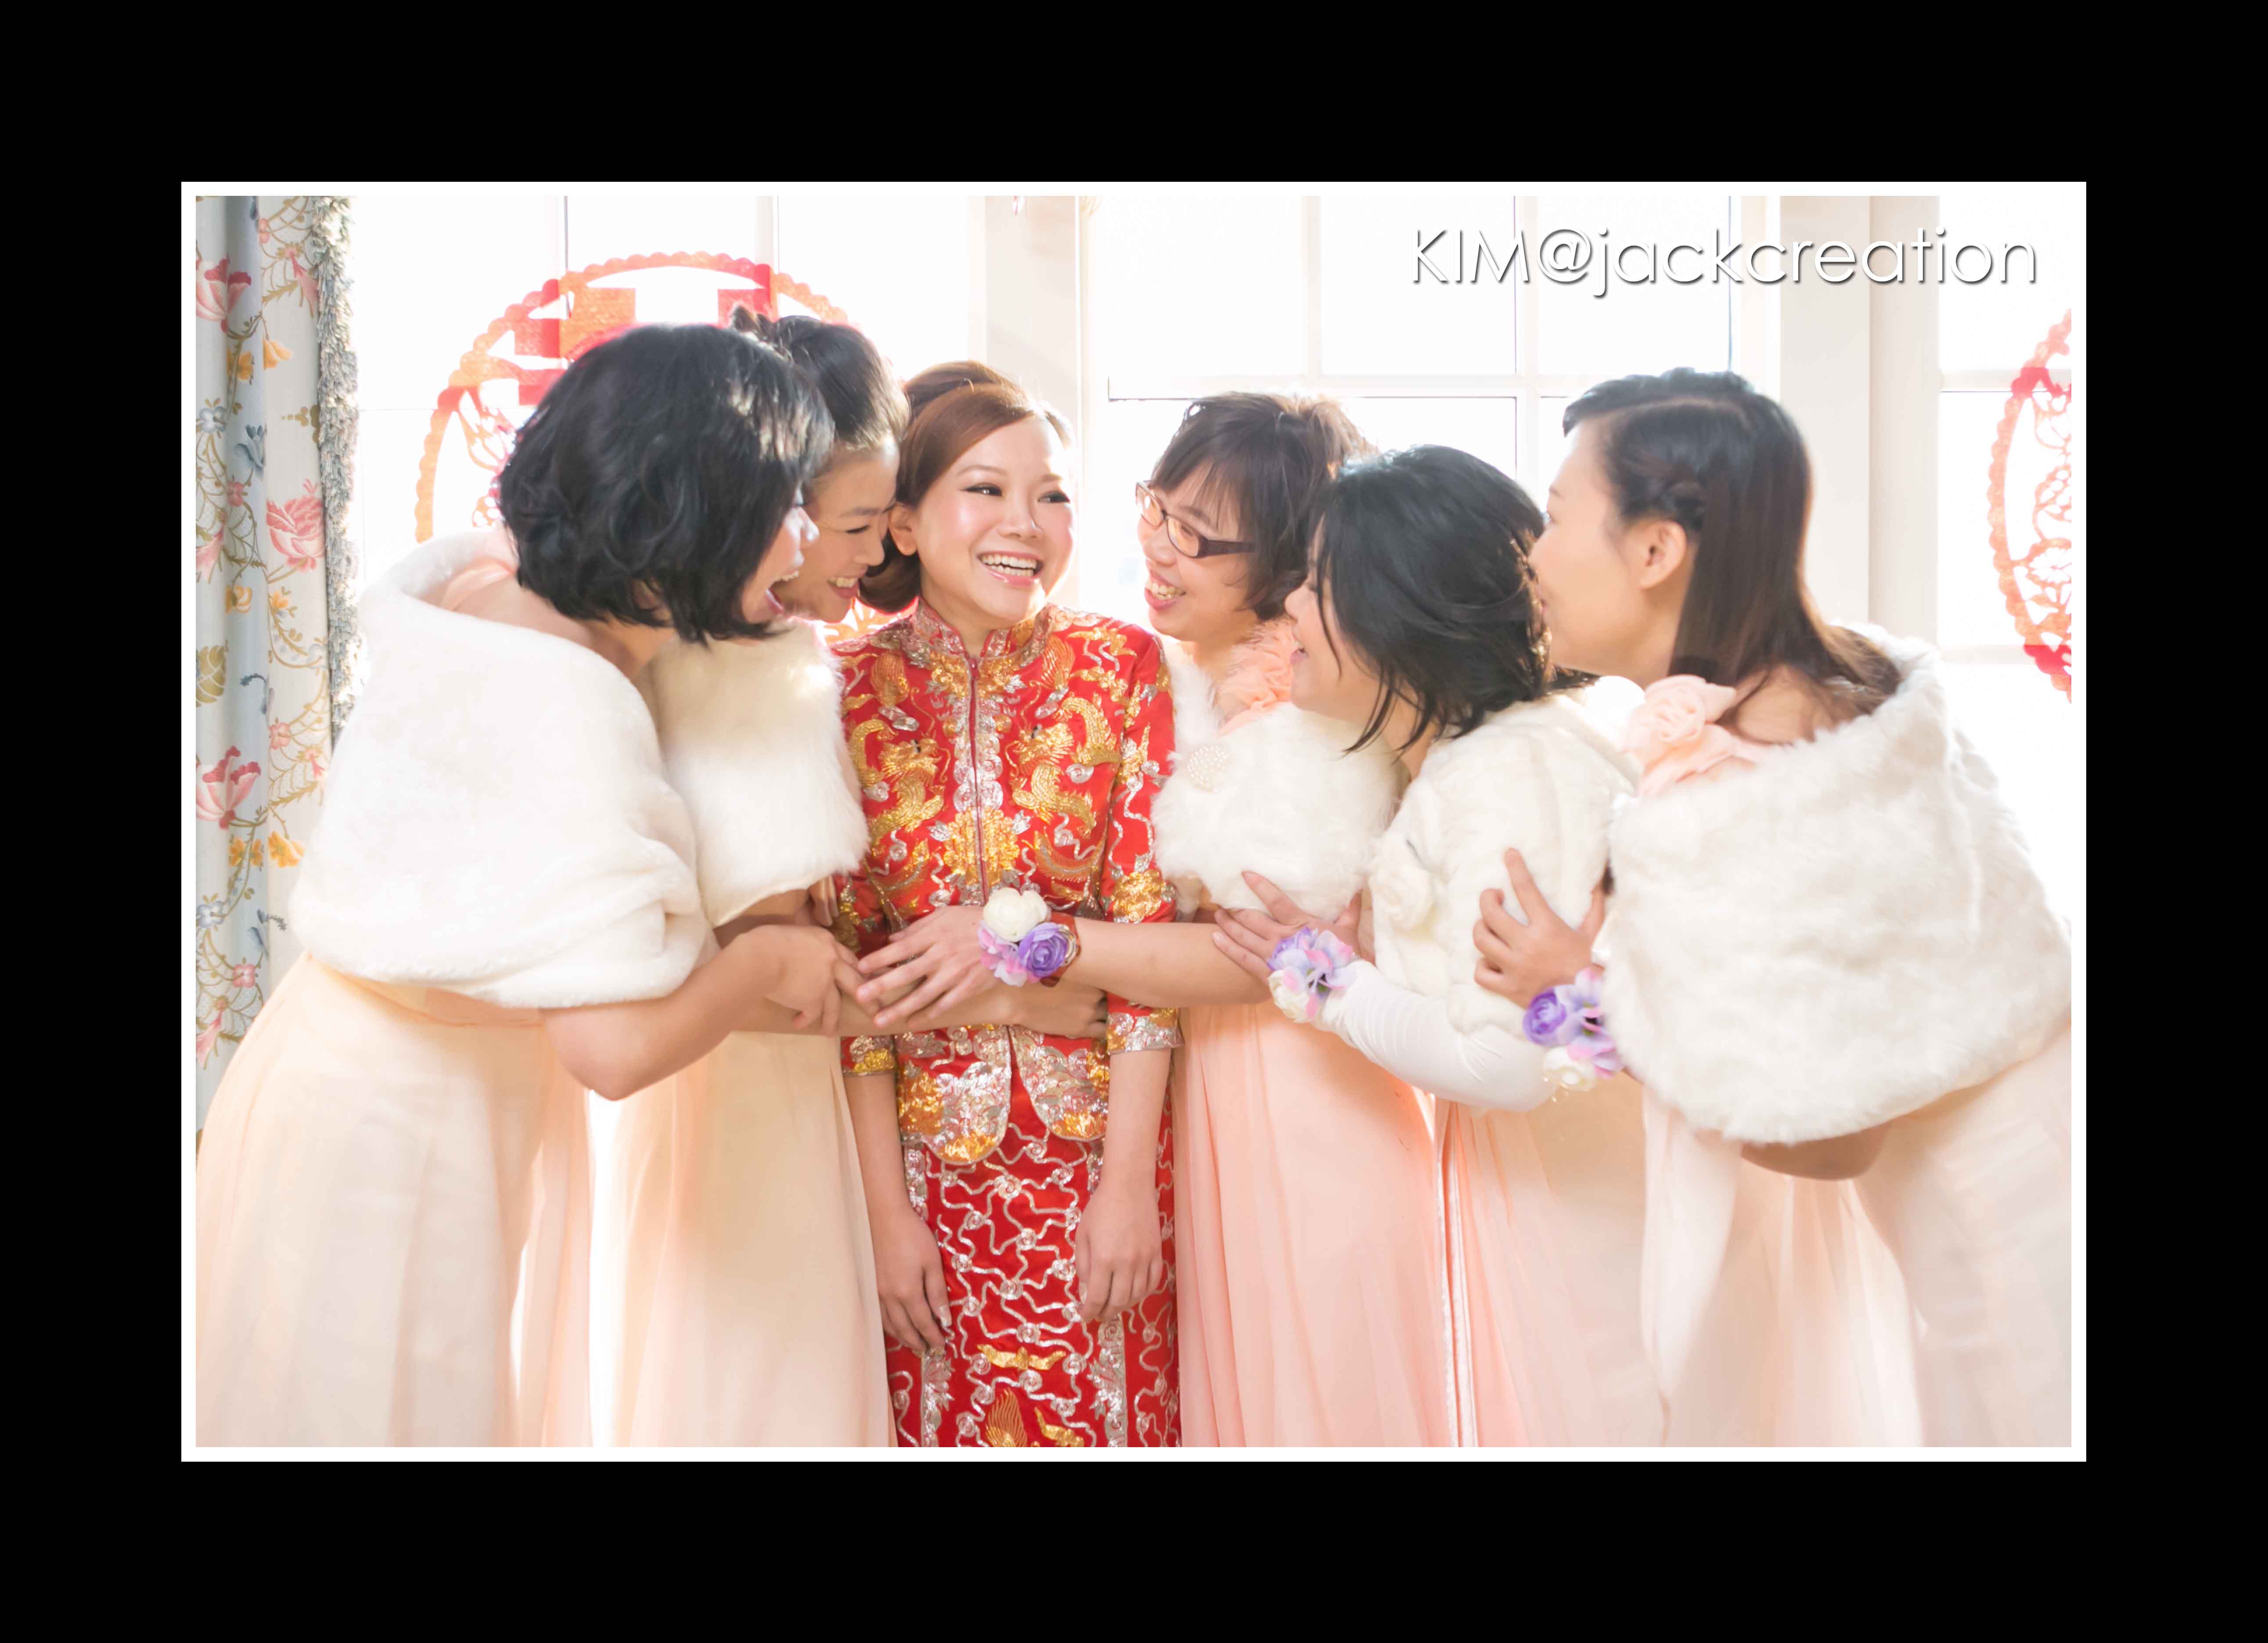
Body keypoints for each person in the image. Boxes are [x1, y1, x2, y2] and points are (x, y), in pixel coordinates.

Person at [197, 322, 843, 1445]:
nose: (805, 536)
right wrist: (773, 960)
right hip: (405, 1136)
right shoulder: (572, 699)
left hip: (317, 1064)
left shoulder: (480, 587)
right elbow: (611, 1049)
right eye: (786, 502)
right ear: (700, 509)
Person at [1471, 370, 2071, 1445]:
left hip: (2014, 1253)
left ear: (1656, 550)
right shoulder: (1843, 697)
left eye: (1555, 517)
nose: (1535, 556)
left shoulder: (1751, 790)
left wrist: (1583, 997)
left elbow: (1831, 1139)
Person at [867, 394, 1449, 1446]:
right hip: (1165, 1112)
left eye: (1200, 534)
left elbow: (1263, 952)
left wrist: (1023, 950)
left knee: (1310, 1399)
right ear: (903, 521)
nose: (1164, 548)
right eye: (1159, 511)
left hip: (1284, 1104)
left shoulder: (1274, 709)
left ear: (1280, 565)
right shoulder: (1177, 677)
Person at [1211, 446, 1663, 1445]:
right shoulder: (1483, 757)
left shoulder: (1504, 774)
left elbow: (1507, 1063)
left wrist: (1326, 982)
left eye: (1317, 583)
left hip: (1591, 1225)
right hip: (1550, 1201)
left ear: (1396, 608)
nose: (1289, 605)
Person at [830, 363, 1181, 1447]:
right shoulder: (840, 690)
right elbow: (855, 972)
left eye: (1052, 494)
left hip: (1097, 1161)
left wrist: (1130, 1188)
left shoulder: (1124, 670)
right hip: (923, 1175)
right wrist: (885, 1217)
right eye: (985, 489)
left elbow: (1149, 940)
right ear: (903, 520)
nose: (1026, 522)